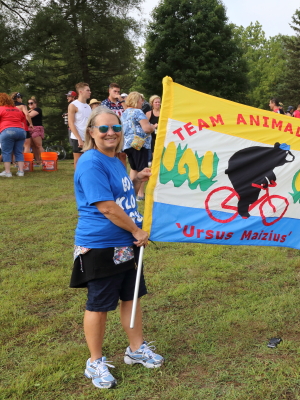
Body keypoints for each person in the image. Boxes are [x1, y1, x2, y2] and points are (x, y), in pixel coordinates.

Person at [71, 106, 163, 389]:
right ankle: (95, 362)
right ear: (91, 132)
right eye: (103, 128)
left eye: (116, 127)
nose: (110, 132)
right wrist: (136, 230)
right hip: (101, 244)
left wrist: (135, 180)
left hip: (126, 243)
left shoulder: (115, 159)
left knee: (131, 297)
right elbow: (107, 207)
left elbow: (120, 196)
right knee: (99, 305)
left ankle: (136, 350)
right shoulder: (91, 162)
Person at [121, 92, 157, 196]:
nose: (143, 102)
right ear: (136, 100)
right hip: (139, 144)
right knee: (142, 169)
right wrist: (153, 126)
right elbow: (146, 129)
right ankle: (140, 194)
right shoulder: (138, 112)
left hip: (128, 144)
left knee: (134, 168)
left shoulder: (124, 113)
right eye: (141, 100)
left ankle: (130, 192)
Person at [0, 93, 28, 177]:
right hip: (21, 131)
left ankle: (7, 172)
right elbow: (23, 120)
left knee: (6, 152)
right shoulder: (17, 109)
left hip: (7, 130)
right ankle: (21, 171)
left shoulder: (1, 108)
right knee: (19, 152)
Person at [68, 82, 92, 169]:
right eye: (87, 90)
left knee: (88, 160)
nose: (90, 92)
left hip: (87, 137)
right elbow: (71, 123)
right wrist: (79, 139)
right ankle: (78, 177)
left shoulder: (88, 106)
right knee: (78, 161)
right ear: (81, 92)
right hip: (77, 137)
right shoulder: (73, 105)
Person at [27, 97, 45, 165]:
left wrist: (25, 113)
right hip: (29, 128)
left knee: (38, 145)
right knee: (33, 146)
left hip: (36, 128)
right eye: (28, 103)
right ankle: (38, 161)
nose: (30, 104)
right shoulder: (28, 111)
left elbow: (29, 116)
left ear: (35, 103)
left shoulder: (37, 109)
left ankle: (43, 160)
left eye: (31, 103)